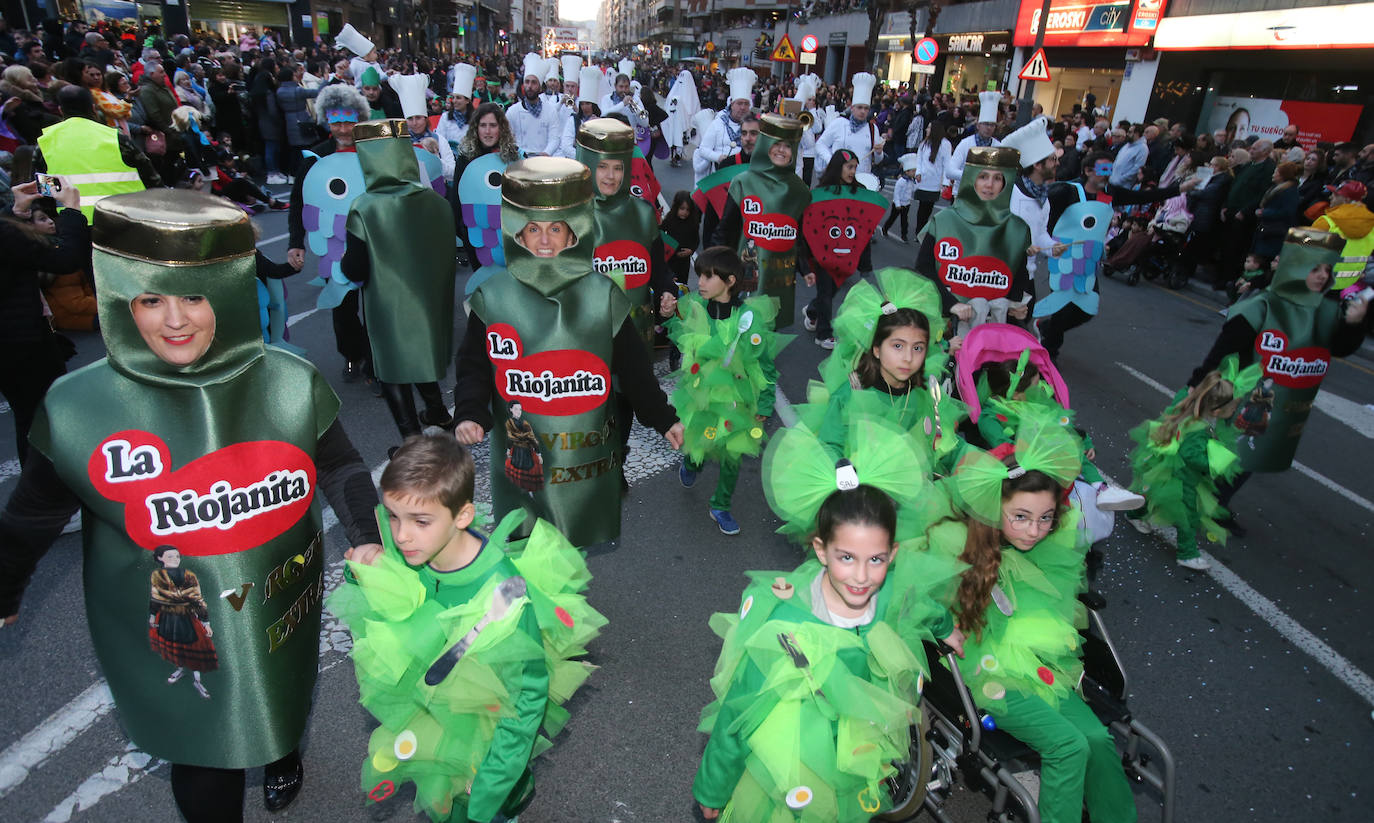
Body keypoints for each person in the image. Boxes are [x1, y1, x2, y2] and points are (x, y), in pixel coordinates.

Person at [0, 189, 381, 821]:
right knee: (201, 748)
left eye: (194, 297)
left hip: (277, 596)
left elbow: (339, 463)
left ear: (228, 296)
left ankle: (283, 751)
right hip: (170, 615)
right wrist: (5, 588)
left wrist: (367, 532)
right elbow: (32, 512)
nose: (174, 320)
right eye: (151, 300)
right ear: (123, 300)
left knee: (278, 697)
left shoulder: (285, 377)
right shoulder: (80, 406)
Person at [329, 433, 605, 823]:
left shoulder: (504, 595)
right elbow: (393, 592)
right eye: (393, 516)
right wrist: (363, 566)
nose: (401, 534)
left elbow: (525, 699)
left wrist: (492, 784)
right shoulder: (418, 548)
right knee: (442, 797)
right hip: (433, 703)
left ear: (462, 516)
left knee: (475, 809)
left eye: (420, 521)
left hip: (487, 734)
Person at [693, 421, 961, 821]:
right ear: (821, 551)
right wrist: (712, 786)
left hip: (857, 744)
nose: (861, 576)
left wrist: (946, 628)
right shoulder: (789, 623)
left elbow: (913, 602)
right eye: (846, 558)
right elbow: (741, 705)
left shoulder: (886, 590)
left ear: (893, 553)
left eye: (876, 560)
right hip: (797, 752)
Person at [451, 158, 683, 547]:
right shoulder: (493, 298)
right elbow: (473, 365)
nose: (544, 240)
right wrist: (470, 411)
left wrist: (663, 418)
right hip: (523, 457)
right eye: (533, 229)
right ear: (516, 235)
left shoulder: (601, 294)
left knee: (573, 545)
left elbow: (633, 367)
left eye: (556, 228)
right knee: (526, 543)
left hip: (582, 458)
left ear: (574, 232)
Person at [926, 413, 1139, 823]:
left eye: (1044, 518)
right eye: (1020, 516)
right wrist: (943, 624)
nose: (1035, 530)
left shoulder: (1048, 549)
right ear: (995, 507)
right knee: (1068, 746)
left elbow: (1058, 606)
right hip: (989, 670)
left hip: (1042, 668)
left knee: (1096, 737)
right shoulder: (958, 545)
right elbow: (916, 595)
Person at [1187, 228, 1370, 531]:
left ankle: (1216, 502)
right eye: (1315, 268)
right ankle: (1191, 499)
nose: (1323, 276)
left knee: (1249, 459)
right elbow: (1223, 350)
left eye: (1327, 269)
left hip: (1282, 405)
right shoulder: (1261, 306)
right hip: (1238, 401)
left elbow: (1339, 347)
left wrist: (1353, 324)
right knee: (1217, 454)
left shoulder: (1325, 311)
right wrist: (1197, 383)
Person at [339, 118, 456, 442]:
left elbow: (356, 268)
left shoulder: (365, 207)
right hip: (430, 299)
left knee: (391, 366)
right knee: (419, 355)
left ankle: (411, 437)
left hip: (388, 303)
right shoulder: (435, 201)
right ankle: (438, 412)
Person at [670, 247, 784, 535]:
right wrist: (667, 310)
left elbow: (765, 367)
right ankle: (691, 463)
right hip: (702, 397)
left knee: (732, 453)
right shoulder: (696, 307)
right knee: (701, 441)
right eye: (700, 276)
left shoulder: (749, 320)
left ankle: (720, 505)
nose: (702, 283)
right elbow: (676, 328)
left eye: (709, 277)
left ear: (730, 281)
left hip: (736, 403)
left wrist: (765, 405)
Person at [810, 269, 963, 475]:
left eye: (917, 348)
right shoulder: (851, 393)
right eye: (898, 346)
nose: (908, 357)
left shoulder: (925, 392)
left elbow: (946, 440)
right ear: (877, 349)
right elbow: (829, 445)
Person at [1126, 357, 1256, 569]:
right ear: (1216, 410)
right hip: (1183, 478)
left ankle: (1135, 513)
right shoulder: (1199, 428)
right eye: (1233, 408)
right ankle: (1187, 553)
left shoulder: (1198, 410)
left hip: (1170, 469)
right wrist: (1214, 464)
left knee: (1154, 494)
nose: (1234, 412)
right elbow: (1191, 455)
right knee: (1188, 515)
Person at [286, 82, 373, 382]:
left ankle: (376, 362)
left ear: (359, 119)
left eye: (349, 121)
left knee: (375, 303)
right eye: (337, 122)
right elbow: (299, 200)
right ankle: (353, 355)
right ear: (328, 121)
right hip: (332, 241)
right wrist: (296, 242)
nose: (344, 129)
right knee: (342, 304)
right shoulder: (316, 157)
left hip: (371, 238)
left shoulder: (371, 152)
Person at [915, 146, 1033, 338]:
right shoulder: (945, 220)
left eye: (997, 178)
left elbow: (1019, 276)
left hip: (990, 327)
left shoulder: (1017, 228)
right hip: (946, 321)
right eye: (983, 176)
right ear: (971, 179)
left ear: (1006, 183)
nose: (989, 185)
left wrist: (1017, 306)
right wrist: (951, 304)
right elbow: (923, 268)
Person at [34, 86, 157, 220]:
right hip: (126, 217)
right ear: (93, 109)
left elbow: (44, 191)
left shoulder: (45, 143)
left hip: (75, 224)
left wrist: (59, 222)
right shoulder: (115, 137)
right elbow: (150, 176)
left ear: (60, 111)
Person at [799, 148, 880, 347]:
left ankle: (812, 310)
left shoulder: (860, 192)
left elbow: (865, 231)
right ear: (838, 167)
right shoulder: (820, 193)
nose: (852, 171)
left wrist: (865, 265)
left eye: (855, 167)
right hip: (823, 254)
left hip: (846, 253)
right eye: (848, 167)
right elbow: (808, 227)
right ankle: (823, 334)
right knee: (826, 292)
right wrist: (806, 263)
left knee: (831, 291)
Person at [694, 67, 756, 184]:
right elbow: (703, 149)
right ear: (732, 104)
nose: (742, 107)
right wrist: (718, 157)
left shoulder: (754, 126)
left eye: (746, 104)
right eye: (739, 103)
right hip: (720, 178)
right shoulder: (718, 124)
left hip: (745, 179)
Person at [1311, 180, 1374, 292]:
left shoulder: (1326, 222)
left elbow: (1305, 254)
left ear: (1347, 200)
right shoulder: (1371, 227)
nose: (1330, 197)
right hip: (1348, 286)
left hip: (1318, 283)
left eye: (1335, 195)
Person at [815, 72, 883, 176]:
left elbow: (877, 160)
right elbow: (820, 144)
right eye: (859, 107)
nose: (863, 111)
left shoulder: (872, 129)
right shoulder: (839, 123)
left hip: (861, 181)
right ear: (852, 108)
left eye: (866, 108)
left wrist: (879, 152)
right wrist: (831, 160)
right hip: (837, 177)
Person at [505, 53, 561, 157]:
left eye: (534, 83)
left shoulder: (550, 111)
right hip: (519, 160)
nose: (529, 86)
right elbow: (507, 137)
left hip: (542, 161)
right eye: (527, 82)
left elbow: (555, 138)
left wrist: (546, 153)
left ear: (540, 87)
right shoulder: (513, 111)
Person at [943, 91, 1002, 191]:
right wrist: (976, 175)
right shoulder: (965, 144)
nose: (988, 128)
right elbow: (950, 171)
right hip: (962, 194)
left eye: (992, 125)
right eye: (986, 124)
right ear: (978, 125)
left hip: (987, 195)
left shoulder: (999, 146)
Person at [1251, 160, 1302, 260]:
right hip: (1267, 230)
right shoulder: (1276, 188)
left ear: (1283, 175)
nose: (1273, 174)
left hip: (1275, 232)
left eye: (1276, 172)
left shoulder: (1289, 191)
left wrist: (1264, 213)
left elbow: (1288, 211)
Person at [914, 121, 950, 232]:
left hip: (934, 182)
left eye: (929, 128)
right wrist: (918, 173)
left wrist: (945, 182)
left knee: (928, 208)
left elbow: (947, 164)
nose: (927, 130)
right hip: (923, 180)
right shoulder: (924, 143)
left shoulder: (945, 144)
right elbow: (919, 160)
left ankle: (923, 229)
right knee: (921, 207)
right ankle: (919, 230)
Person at [883, 152, 918, 242]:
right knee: (892, 218)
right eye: (913, 171)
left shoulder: (911, 181)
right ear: (907, 171)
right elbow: (896, 193)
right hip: (898, 204)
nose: (914, 172)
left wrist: (917, 182)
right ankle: (885, 228)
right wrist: (897, 203)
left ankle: (904, 235)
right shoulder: (901, 181)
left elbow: (914, 189)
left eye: (915, 170)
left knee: (904, 220)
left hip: (906, 203)